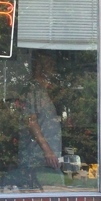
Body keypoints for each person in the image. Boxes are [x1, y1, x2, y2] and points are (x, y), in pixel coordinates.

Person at [16, 50, 63, 191]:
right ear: (40, 67)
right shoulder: (33, 90)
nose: (52, 68)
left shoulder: (44, 90)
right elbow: (31, 120)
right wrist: (47, 150)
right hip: (38, 157)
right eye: (49, 64)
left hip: (48, 156)